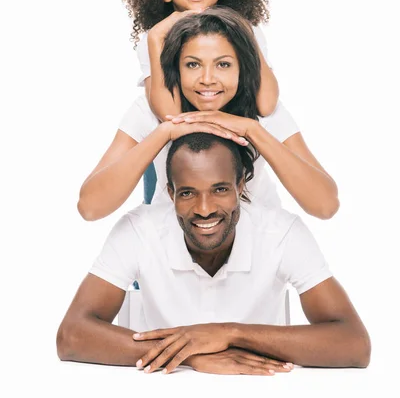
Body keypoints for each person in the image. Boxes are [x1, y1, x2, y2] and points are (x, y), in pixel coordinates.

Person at [58, 133, 370, 375]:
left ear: (241, 186)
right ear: (171, 194)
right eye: (187, 193)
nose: (204, 209)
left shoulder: (280, 231)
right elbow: (71, 336)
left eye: (220, 189)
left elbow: (354, 344)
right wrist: (192, 353)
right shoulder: (139, 229)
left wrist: (228, 333)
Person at [78, 8, 339, 221]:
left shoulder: (265, 115)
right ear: (176, 70)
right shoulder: (147, 112)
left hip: (258, 257)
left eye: (223, 64)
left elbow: (325, 206)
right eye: (193, 65)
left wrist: (253, 130)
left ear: (241, 69)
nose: (207, 79)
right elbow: (90, 208)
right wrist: (166, 132)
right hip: (171, 253)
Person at [122, 0, 279, 203]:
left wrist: (245, 31)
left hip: (235, 154)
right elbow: (169, 114)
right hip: (176, 155)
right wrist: (156, 40)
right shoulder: (154, 39)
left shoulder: (247, 31)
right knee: (161, 203)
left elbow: (267, 103)